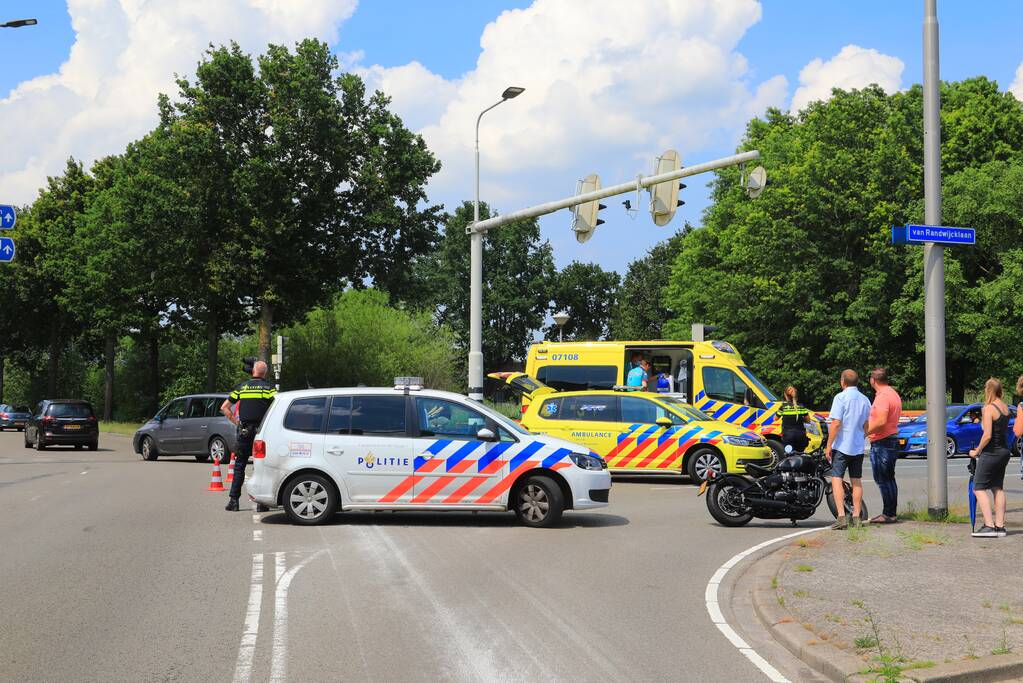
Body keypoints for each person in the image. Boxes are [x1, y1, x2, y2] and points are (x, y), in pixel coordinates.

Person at [221, 360, 276, 511]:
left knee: (239, 466)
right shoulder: (269, 388)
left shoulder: (242, 387)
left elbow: (224, 407)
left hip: (244, 432)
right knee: (262, 466)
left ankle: (234, 501)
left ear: (253, 371)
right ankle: (262, 503)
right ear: (265, 373)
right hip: (262, 433)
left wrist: (237, 422)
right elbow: (276, 407)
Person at [824, 369, 871, 530]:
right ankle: (857, 516)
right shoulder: (865, 399)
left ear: (843, 382)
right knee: (856, 480)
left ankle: (842, 517)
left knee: (836, 478)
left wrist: (828, 445)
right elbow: (867, 425)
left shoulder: (840, 397)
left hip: (842, 446)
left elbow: (836, 423)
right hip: (857, 446)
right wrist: (861, 436)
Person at [969, 378, 1011, 538]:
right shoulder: (1005, 408)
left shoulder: (988, 409)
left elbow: (987, 435)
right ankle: (1000, 526)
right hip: (1004, 451)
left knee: (978, 488)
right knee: (997, 488)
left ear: (988, 390)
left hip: (991, 452)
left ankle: (989, 525)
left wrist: (977, 451)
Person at [867, 368, 902, 524]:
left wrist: (865, 432)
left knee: (882, 479)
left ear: (873, 380)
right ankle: (891, 512)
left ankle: (888, 513)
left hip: (882, 441)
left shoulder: (883, 397)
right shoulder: (893, 393)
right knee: (889, 478)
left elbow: (881, 421)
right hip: (890, 439)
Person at [777, 385, 811, 453]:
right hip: (801, 436)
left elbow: (775, 418)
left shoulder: (783, 407)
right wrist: (800, 419)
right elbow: (808, 420)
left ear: (786, 396)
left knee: (789, 455)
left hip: (788, 436)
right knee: (800, 454)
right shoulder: (801, 407)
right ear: (796, 396)